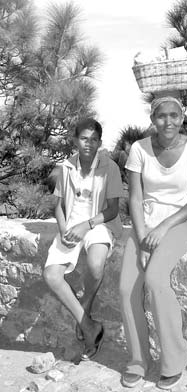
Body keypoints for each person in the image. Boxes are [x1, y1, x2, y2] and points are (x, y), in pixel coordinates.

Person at [119, 96, 187, 390]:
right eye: (161, 116)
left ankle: (174, 360)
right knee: (125, 288)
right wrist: (144, 233)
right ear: (152, 118)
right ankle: (137, 361)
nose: (168, 121)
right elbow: (134, 197)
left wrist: (163, 227)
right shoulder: (138, 149)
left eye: (174, 115)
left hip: (180, 224)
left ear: (182, 117)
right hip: (144, 226)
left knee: (157, 279)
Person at [43, 118, 124, 361]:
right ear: (75, 140)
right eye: (84, 138)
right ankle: (89, 325)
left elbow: (112, 210)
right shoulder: (65, 167)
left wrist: (85, 225)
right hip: (71, 226)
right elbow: (58, 206)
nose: (89, 143)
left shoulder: (110, 168)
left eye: (94, 139)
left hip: (98, 224)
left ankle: (84, 310)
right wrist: (64, 229)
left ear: (99, 142)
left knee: (95, 264)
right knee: (51, 275)